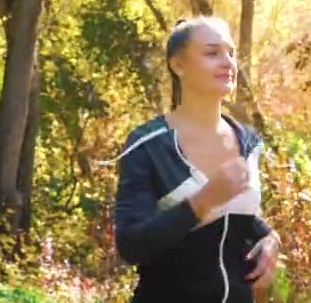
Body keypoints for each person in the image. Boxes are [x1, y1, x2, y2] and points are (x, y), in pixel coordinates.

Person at [113, 16, 281, 303]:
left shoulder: (249, 142)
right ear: (177, 65)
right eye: (212, 53)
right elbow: (130, 245)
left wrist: (270, 238)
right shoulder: (150, 145)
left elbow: (235, 214)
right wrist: (201, 202)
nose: (228, 62)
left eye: (230, 52)